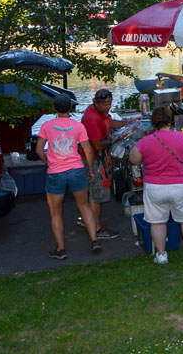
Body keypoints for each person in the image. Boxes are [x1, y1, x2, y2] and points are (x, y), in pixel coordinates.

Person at [129, 106, 183, 264]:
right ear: (170, 120)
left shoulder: (146, 141)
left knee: (157, 222)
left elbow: (134, 159)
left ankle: (161, 255)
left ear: (153, 122)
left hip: (155, 186)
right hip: (180, 185)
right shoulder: (182, 137)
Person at [36, 93, 102, 259]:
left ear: (54, 108)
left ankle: (61, 249)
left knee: (56, 212)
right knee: (84, 205)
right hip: (76, 170)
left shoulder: (46, 126)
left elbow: (38, 150)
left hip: (55, 172)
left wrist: (48, 162)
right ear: (71, 107)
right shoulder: (78, 126)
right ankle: (94, 240)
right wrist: (90, 169)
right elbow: (87, 150)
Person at [81, 88, 130, 239]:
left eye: (109, 103)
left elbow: (110, 122)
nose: (107, 107)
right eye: (104, 105)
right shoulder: (92, 119)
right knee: (97, 194)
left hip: (100, 158)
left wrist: (128, 122)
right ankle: (96, 229)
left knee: (93, 192)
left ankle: (88, 219)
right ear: (95, 103)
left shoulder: (100, 113)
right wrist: (118, 138)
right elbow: (98, 145)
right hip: (95, 159)